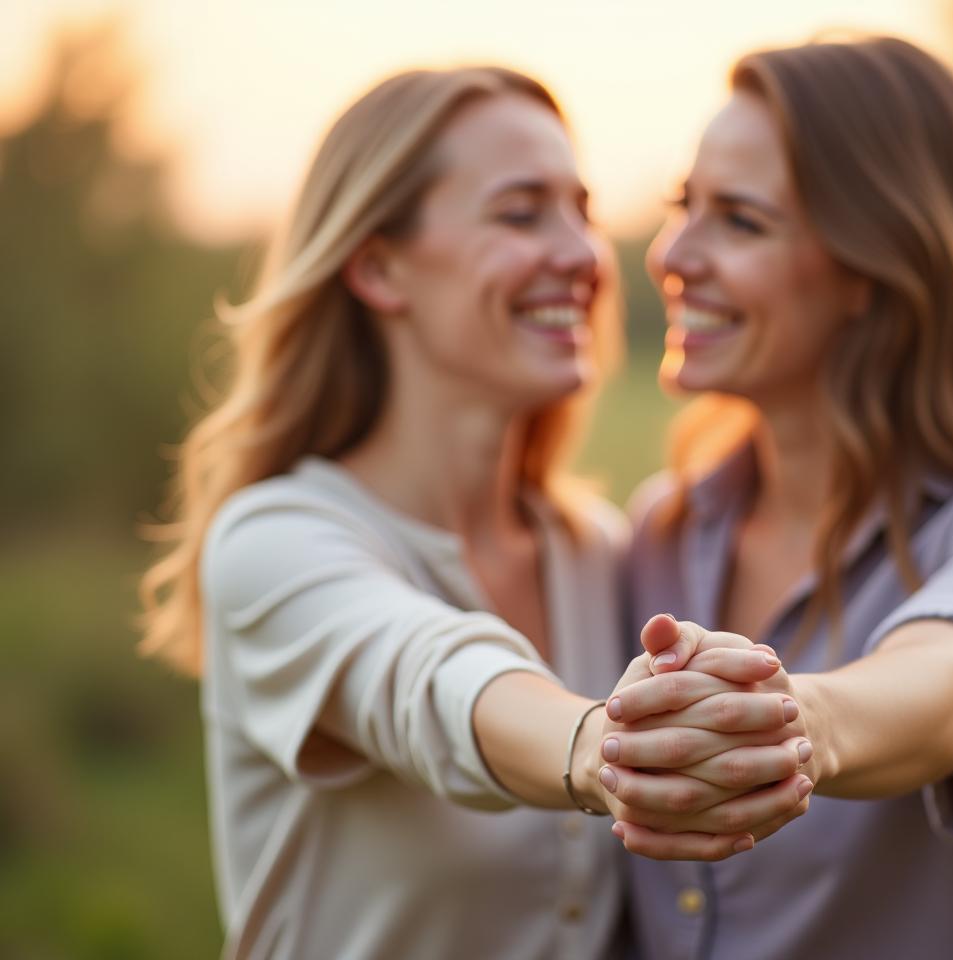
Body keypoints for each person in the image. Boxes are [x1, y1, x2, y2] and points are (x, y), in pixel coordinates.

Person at [138, 67, 811, 960]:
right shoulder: (273, 543)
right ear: (378, 267)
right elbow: (428, 678)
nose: (583, 255)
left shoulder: (602, 554)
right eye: (522, 212)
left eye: (581, 210)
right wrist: (599, 747)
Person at [607, 36, 953, 960]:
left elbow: (948, 691)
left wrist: (798, 727)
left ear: (874, 265)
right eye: (683, 206)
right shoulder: (660, 533)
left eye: (740, 222)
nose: (674, 254)